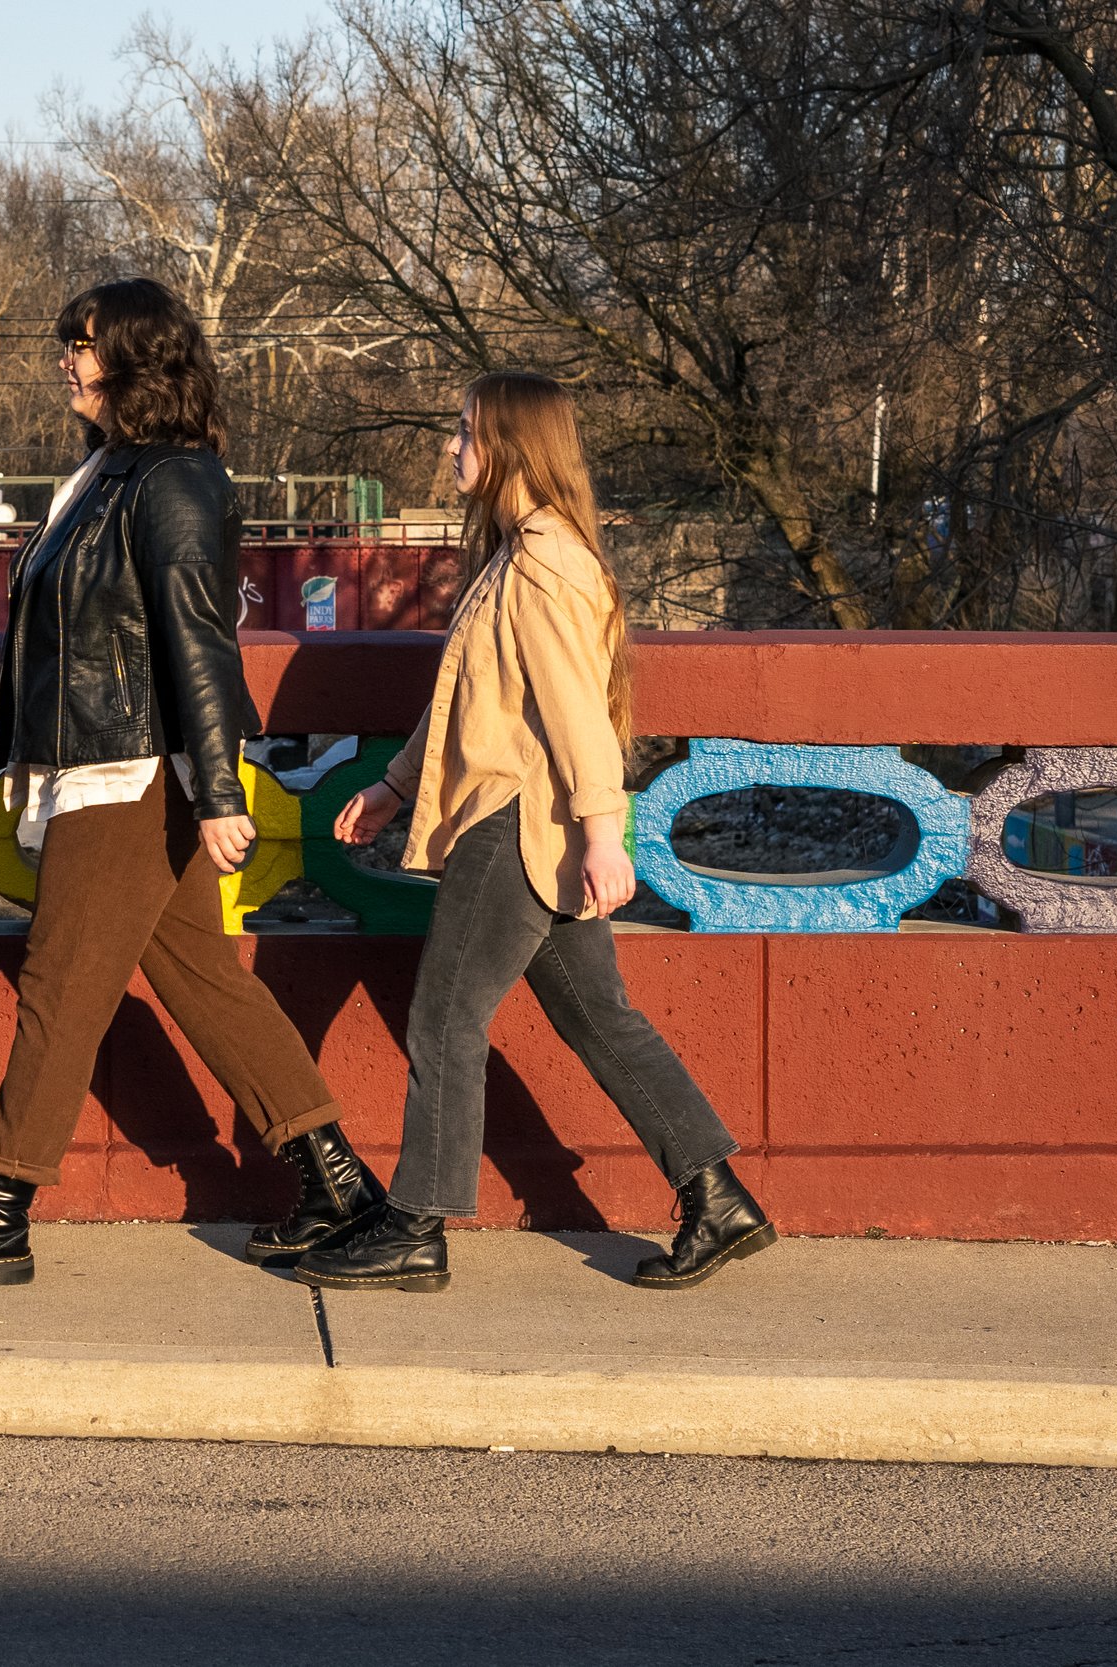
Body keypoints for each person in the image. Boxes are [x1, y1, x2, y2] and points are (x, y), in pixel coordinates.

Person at [0, 278, 383, 1288]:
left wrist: (221, 789)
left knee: (58, 985)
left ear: (137, 359)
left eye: (85, 343)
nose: (67, 356)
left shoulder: (176, 479)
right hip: (99, 763)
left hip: (132, 772)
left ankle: (2, 1205)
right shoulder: (107, 473)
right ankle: (340, 1189)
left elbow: (198, 639)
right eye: (68, 341)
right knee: (203, 984)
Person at [297, 372, 776, 1294]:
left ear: (514, 444)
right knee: (603, 1020)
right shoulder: (521, 555)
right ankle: (717, 1197)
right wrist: (397, 788)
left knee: (443, 1016)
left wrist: (607, 833)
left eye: (467, 434)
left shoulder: (545, 562)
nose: (453, 449)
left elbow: (575, 718)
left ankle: (414, 1225)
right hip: (530, 816)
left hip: (518, 824)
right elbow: (481, 707)